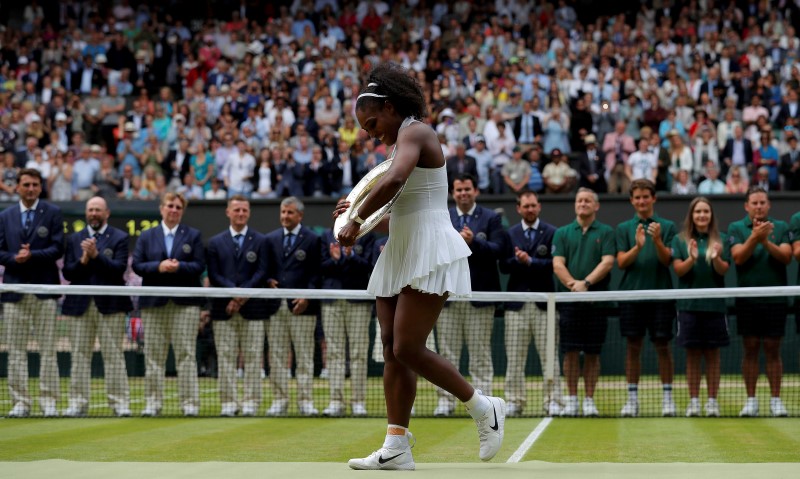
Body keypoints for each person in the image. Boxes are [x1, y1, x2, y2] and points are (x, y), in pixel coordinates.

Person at [335, 63, 505, 471]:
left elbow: (393, 181)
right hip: (401, 246)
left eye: (372, 121)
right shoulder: (398, 143)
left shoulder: (417, 131)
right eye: (363, 126)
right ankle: (396, 445)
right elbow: (398, 208)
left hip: (430, 247)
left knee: (407, 347)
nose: (368, 131)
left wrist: (356, 218)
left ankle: (484, 407)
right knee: (392, 349)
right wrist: (358, 215)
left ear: (391, 108)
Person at [434, 173, 503, 417]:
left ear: (476, 191)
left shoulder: (491, 218)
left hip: (479, 296)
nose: (463, 193)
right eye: (459, 190)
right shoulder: (444, 216)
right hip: (447, 296)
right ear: (453, 193)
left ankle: (484, 402)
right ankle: (445, 401)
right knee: (446, 354)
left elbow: (498, 251)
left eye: (467, 189)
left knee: (480, 352)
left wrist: (474, 242)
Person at [132, 193, 205, 417]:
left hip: (185, 304)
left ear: (182, 211)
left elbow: (199, 265)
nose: (174, 210)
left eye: (178, 207)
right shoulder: (147, 236)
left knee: (186, 355)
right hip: (154, 303)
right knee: (154, 355)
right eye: (170, 206)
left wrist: (179, 267)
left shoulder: (193, 235)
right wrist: (159, 266)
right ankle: (153, 404)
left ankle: (189, 404)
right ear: (161, 208)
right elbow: (137, 265)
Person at [0, 168, 64, 417]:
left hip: (44, 291)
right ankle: (21, 402)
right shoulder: (5, 216)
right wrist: (16, 258)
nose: (30, 188)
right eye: (25, 184)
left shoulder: (53, 213)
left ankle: (49, 401)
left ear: (40, 187)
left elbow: (58, 248)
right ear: (17, 187)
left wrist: (33, 255)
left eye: (34, 184)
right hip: (14, 291)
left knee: (48, 349)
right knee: (16, 350)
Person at [61, 196, 132, 417]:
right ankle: (77, 403)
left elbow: (118, 269)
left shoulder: (119, 237)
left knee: (113, 356)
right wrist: (83, 260)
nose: (94, 213)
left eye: (98, 210)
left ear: (107, 213)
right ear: (86, 213)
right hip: (79, 306)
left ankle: (119, 403)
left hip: (110, 305)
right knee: (80, 356)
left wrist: (96, 256)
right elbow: (68, 273)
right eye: (90, 209)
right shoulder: (75, 239)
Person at [206, 196, 275, 417]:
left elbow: (262, 273)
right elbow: (215, 274)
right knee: (225, 357)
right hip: (222, 309)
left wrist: (242, 296)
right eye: (236, 210)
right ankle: (228, 402)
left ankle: (251, 402)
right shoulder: (215, 242)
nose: (241, 213)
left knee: (254, 357)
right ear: (228, 212)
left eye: (244, 210)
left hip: (253, 309)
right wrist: (233, 295)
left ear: (249, 213)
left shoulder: (261, 240)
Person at [727, 187, 792, 417]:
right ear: (746, 206)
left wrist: (765, 242)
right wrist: (755, 237)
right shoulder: (736, 228)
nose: (758, 206)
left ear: (769, 204)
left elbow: (786, 257)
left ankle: (776, 400)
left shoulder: (782, 227)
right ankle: (751, 401)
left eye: (762, 202)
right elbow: (738, 257)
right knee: (751, 349)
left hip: (775, 299)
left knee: (774, 350)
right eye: (754, 203)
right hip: (748, 301)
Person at [616, 179, 678, 417]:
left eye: (645, 196)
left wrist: (658, 241)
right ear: (632, 200)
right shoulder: (624, 228)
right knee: (633, 348)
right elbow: (621, 262)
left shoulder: (668, 226)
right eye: (637, 197)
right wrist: (638, 247)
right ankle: (632, 400)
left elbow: (668, 261)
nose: (641, 201)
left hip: (661, 295)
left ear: (654, 198)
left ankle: (668, 399)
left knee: (663, 347)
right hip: (632, 296)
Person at [499, 190, 563, 417]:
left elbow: (552, 265)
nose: (530, 209)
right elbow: (504, 266)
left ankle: (553, 400)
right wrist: (518, 260)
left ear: (539, 207)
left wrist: (531, 261)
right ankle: (515, 401)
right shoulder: (510, 234)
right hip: (516, 305)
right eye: (525, 206)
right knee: (514, 357)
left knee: (549, 356)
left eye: (533, 205)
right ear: (519, 208)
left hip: (544, 305)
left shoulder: (552, 232)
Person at [552, 188, 615, 417]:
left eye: (588, 200)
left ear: (596, 205)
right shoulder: (563, 233)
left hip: (596, 302)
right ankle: (571, 400)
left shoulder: (606, 232)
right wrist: (573, 285)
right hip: (569, 303)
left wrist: (586, 284)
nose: (583, 204)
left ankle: (589, 400)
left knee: (592, 353)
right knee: (570, 352)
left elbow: (608, 262)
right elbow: (558, 264)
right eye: (579, 200)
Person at [263, 196, 322, 417]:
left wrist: (306, 296)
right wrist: (268, 280)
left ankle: (305, 401)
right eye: (283, 212)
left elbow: (317, 274)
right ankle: (279, 400)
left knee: (305, 356)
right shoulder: (270, 239)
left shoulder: (312, 240)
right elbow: (265, 270)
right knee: (276, 356)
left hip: (303, 308)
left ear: (300, 215)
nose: (285, 216)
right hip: (276, 307)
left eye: (290, 213)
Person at [671, 197, 730, 417]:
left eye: (705, 211)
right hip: (688, 306)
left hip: (715, 306)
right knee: (693, 355)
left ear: (711, 215)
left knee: (713, 355)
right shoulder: (680, 240)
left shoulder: (721, 239)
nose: (702, 215)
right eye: (698, 212)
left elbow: (723, 270)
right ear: (692, 215)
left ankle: (712, 402)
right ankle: (694, 401)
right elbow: (679, 270)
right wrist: (692, 259)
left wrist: (715, 258)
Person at [319, 201, 376, 417]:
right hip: (332, 300)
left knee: (359, 353)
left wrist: (348, 257)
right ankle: (336, 401)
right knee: (334, 352)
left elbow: (369, 267)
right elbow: (321, 267)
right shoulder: (326, 235)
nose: (345, 210)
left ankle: (358, 402)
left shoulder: (367, 233)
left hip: (357, 300)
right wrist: (335, 261)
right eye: (342, 207)